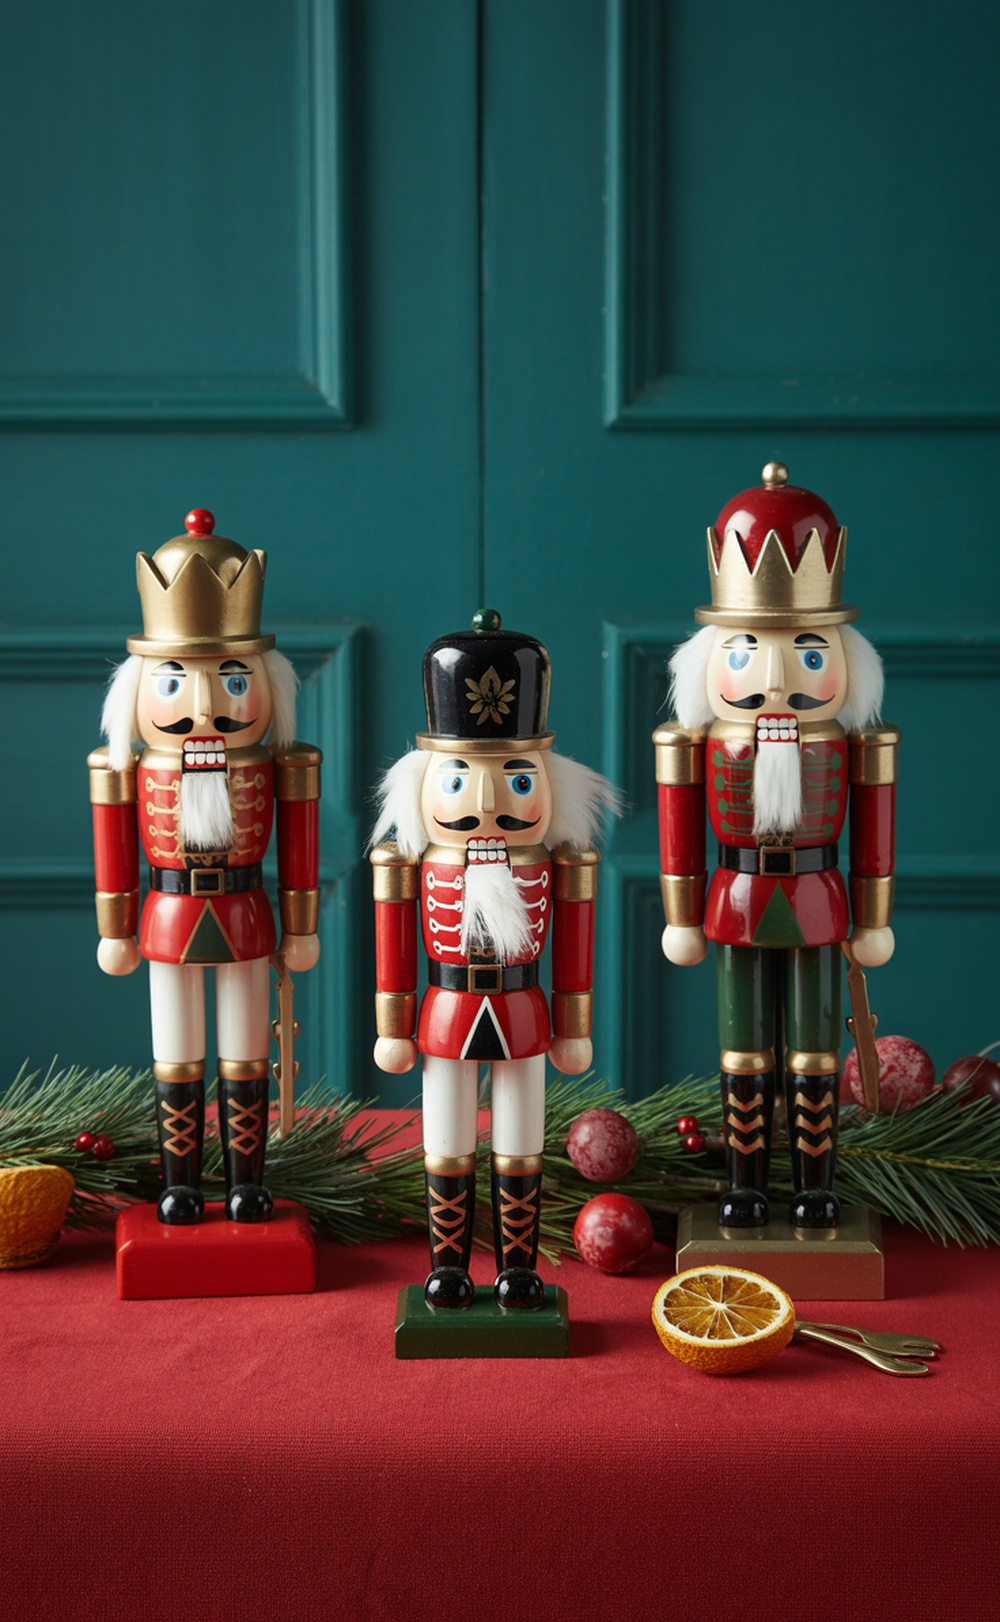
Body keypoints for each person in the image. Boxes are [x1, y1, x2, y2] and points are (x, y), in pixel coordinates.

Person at [655, 463, 899, 1231]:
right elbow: (679, 830)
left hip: (822, 898)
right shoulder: (701, 744)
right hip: (735, 896)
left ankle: (813, 1186)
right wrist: (680, 912)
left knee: (816, 1053)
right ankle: (746, 1184)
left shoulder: (853, 743)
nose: (774, 676)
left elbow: (875, 832)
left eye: (807, 653)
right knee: (743, 1050)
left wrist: (875, 913)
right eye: (746, 652)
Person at [370, 609, 619, 1309]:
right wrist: (392, 1026)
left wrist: (573, 1024)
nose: (486, 803)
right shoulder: (412, 862)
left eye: (514, 781)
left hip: (522, 1006)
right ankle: (447, 1265)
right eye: (458, 781)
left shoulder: (559, 860)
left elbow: (574, 942)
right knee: (445, 1142)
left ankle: (518, 1266)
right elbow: (393, 942)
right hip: (446, 1008)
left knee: (520, 1142)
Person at [89, 508, 321, 1225]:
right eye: (174, 682)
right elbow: (114, 849)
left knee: (247, 1054)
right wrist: (116, 927)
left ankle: (247, 1182)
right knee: (178, 1054)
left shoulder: (279, 764)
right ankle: (181, 1183)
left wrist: (302, 924)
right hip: (167, 913)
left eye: (228, 679)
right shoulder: (128, 768)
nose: (204, 706)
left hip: (248, 911)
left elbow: (301, 847)